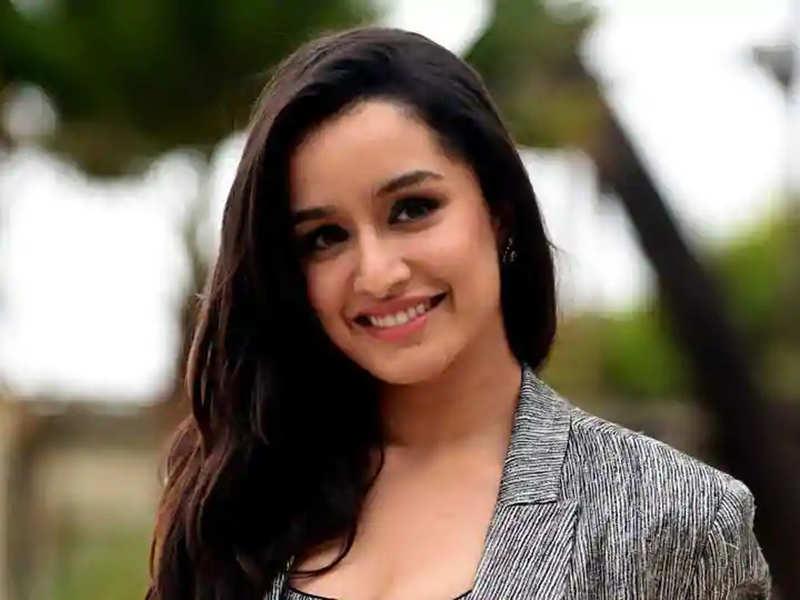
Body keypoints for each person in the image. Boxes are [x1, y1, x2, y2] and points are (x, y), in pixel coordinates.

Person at [145, 26, 771, 600]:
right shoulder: (243, 495)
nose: (377, 274)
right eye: (325, 237)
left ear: (497, 209)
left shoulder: (671, 517)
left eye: (412, 209)